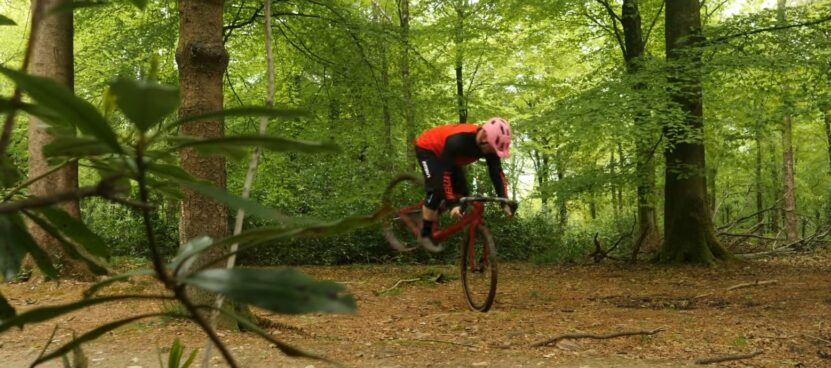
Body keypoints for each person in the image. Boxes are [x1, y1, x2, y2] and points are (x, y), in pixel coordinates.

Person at [414, 117, 513, 250]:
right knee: (436, 190)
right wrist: (452, 204)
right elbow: (446, 174)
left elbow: (497, 173)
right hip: (428, 148)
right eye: (492, 148)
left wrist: (504, 200)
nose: (493, 152)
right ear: (484, 137)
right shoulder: (458, 141)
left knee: (463, 194)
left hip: (449, 159)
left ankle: (434, 210)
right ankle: (425, 234)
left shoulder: (490, 146)